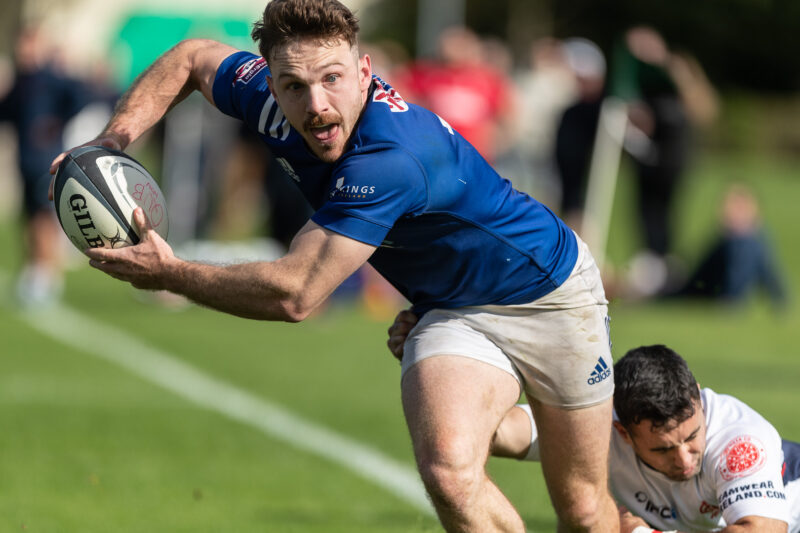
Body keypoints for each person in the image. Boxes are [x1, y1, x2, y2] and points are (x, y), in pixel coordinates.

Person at [49, 1, 619, 530]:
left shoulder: (390, 158)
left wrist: (170, 273)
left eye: (332, 79)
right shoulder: (269, 99)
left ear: (364, 72)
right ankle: (550, 424)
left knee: (583, 511)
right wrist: (111, 143)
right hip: (450, 310)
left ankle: (562, 426)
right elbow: (193, 57)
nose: (317, 104)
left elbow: (295, 294)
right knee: (449, 471)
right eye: (294, 86)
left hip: (549, 294)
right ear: (271, 84)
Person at [388, 320, 800, 532]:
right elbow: (492, 430)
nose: (684, 459)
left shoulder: (741, 441)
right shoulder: (598, 427)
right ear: (622, 432)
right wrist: (439, 365)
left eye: (692, 437)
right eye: (662, 449)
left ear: (697, 397)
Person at [0, 23, 91, 306]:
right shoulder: (20, 82)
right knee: (28, 218)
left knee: (44, 218)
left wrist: (56, 123)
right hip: (24, 161)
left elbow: (80, 96)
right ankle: (34, 269)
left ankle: (47, 275)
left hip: (46, 161)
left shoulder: (52, 79)